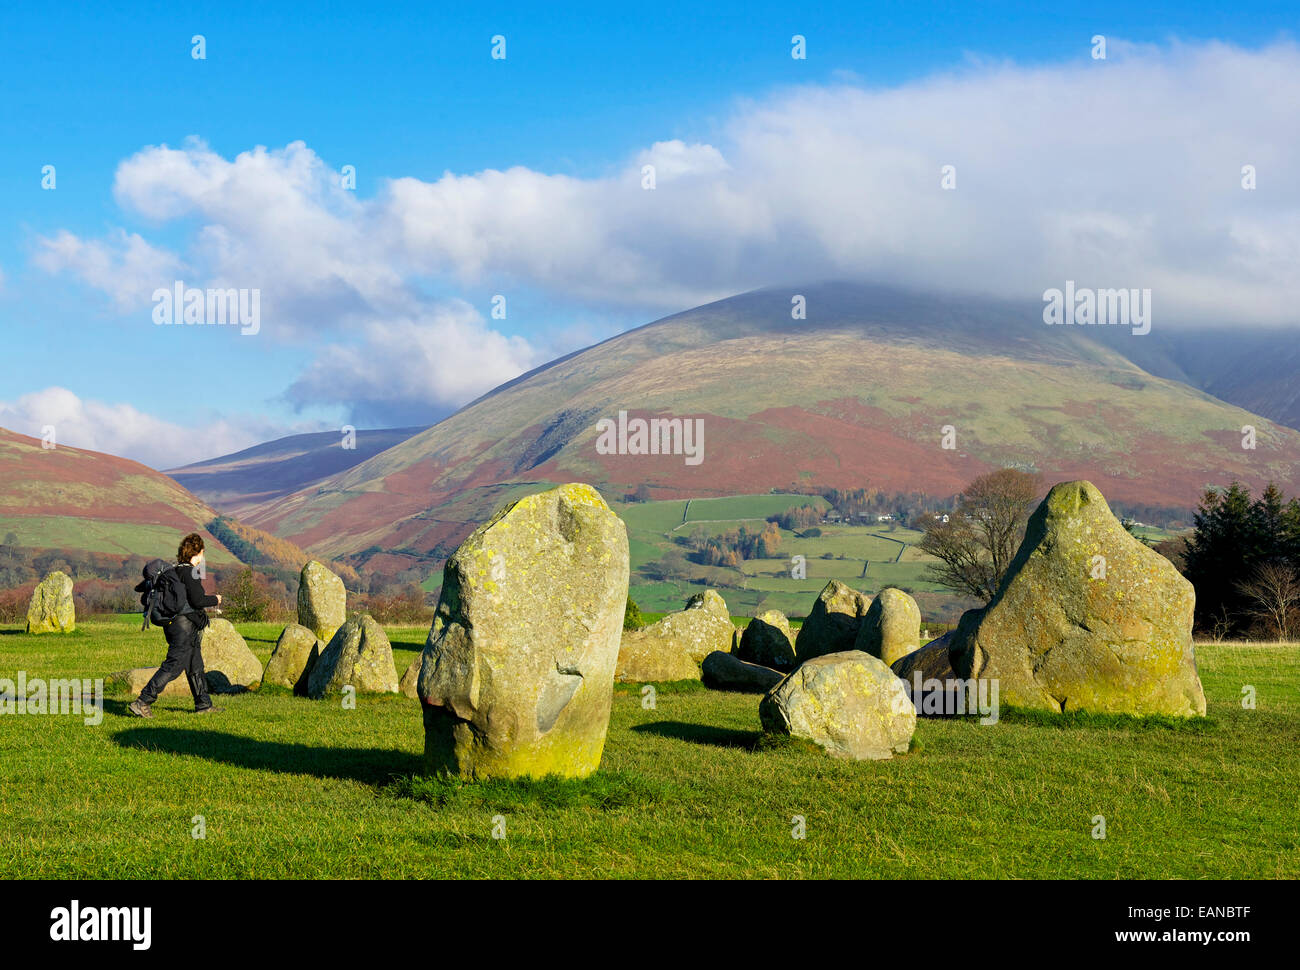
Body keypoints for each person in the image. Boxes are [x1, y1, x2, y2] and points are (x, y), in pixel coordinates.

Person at [128, 533, 225, 718]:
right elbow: (197, 600)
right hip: (184, 626)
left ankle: (203, 704)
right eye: (203, 553)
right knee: (173, 666)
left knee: (195, 664)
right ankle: (142, 701)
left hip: (175, 624)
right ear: (196, 554)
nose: (203, 558)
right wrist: (216, 599)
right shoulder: (189, 572)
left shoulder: (175, 571)